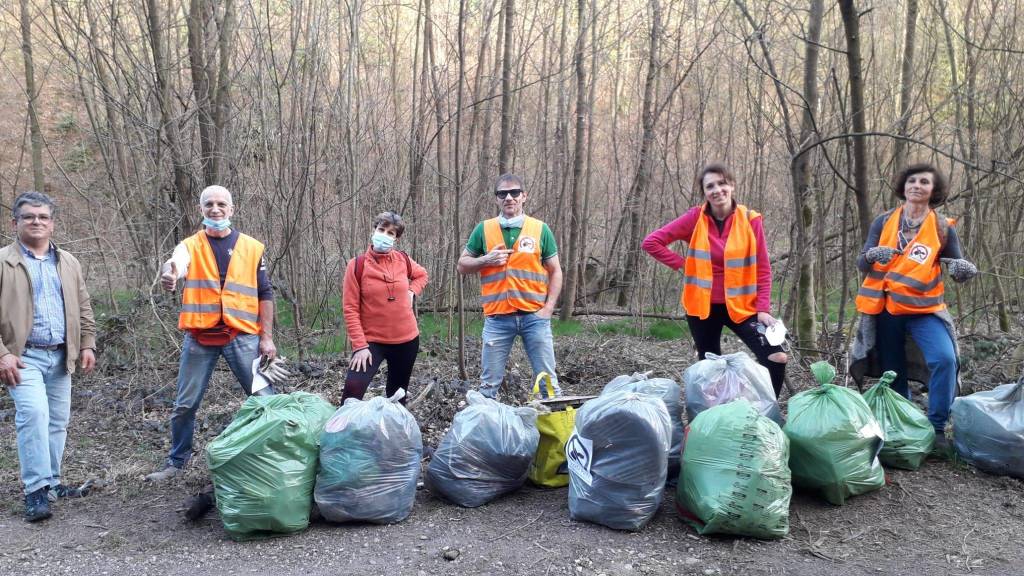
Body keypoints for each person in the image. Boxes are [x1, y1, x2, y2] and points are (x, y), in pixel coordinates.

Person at [145, 185, 277, 482]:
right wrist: (171, 274)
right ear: (201, 209)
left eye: (221, 204)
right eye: (209, 205)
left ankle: (278, 454)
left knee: (266, 398)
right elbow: (176, 261)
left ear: (231, 209)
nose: (215, 209)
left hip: (241, 336)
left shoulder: (253, 247)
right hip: (200, 338)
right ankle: (176, 463)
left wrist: (266, 337)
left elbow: (265, 292)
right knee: (184, 405)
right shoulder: (190, 245)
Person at [850, 163, 977, 449]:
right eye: (912, 181)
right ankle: (902, 423)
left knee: (945, 359)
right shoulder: (883, 222)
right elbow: (861, 263)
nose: (916, 185)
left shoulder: (943, 228)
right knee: (893, 369)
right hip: (886, 309)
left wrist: (963, 270)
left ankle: (937, 427)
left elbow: (957, 270)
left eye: (924, 182)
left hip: (925, 310)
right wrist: (871, 254)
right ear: (903, 186)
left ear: (934, 191)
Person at [642, 163, 788, 396]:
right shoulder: (695, 218)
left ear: (732, 185)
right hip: (702, 307)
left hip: (742, 307)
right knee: (709, 370)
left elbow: (763, 268)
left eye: (722, 183)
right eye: (710, 186)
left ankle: (766, 415)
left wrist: (763, 308)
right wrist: (684, 265)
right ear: (704, 193)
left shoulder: (751, 220)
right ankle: (715, 420)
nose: (717, 190)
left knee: (776, 356)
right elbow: (651, 242)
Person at [0, 191, 96, 522]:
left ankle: (52, 484)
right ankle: (35, 491)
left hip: (61, 356)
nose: (36, 222)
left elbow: (83, 306)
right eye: (28, 217)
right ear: (15, 222)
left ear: (52, 223)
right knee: (34, 415)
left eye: (43, 217)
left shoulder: (68, 262)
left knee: (57, 422)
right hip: (22, 357)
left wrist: (87, 343)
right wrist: (2, 355)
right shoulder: (3, 262)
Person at [457, 173, 563, 398]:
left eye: (515, 192)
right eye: (502, 194)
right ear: (496, 199)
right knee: (488, 387)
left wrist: (548, 309)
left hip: (535, 317)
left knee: (549, 385)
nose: (509, 198)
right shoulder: (483, 229)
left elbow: (555, 271)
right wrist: (486, 260)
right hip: (497, 319)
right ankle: (489, 431)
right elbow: (462, 265)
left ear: (524, 196)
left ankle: (555, 431)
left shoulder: (540, 229)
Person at [342, 211, 428, 403]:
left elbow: (422, 275)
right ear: (374, 231)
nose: (385, 235)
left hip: (407, 340)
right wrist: (359, 346)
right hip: (371, 341)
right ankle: (342, 431)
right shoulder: (357, 265)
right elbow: (350, 309)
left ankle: (394, 431)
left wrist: (412, 291)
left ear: (396, 238)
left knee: (397, 395)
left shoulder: (403, 259)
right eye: (382, 229)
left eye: (391, 233)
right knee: (352, 391)